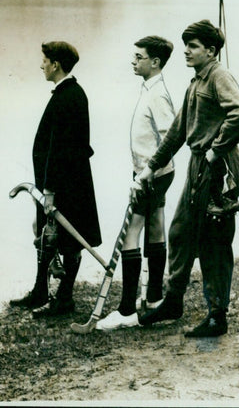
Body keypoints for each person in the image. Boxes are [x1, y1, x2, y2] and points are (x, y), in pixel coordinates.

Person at [135, 20, 239, 338]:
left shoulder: (218, 76)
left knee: (214, 240)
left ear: (211, 51)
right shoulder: (196, 81)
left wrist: (217, 149)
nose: (186, 50)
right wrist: (150, 168)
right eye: (185, 44)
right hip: (197, 166)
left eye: (194, 46)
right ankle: (173, 301)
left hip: (219, 166)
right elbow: (176, 131)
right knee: (181, 231)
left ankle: (217, 316)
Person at [9, 41, 102, 317]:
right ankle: (40, 291)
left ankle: (64, 298)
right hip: (58, 183)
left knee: (68, 241)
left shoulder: (70, 96)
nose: (41, 65)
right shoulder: (67, 94)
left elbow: (63, 149)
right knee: (46, 236)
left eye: (44, 60)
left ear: (56, 65)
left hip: (66, 185)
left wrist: (50, 190)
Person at [96, 36, 176, 331]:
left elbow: (169, 137)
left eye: (139, 56)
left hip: (152, 174)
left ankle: (127, 309)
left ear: (154, 62)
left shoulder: (157, 94)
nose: (134, 60)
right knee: (155, 225)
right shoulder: (149, 88)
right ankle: (154, 298)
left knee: (132, 232)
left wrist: (147, 173)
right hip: (153, 172)